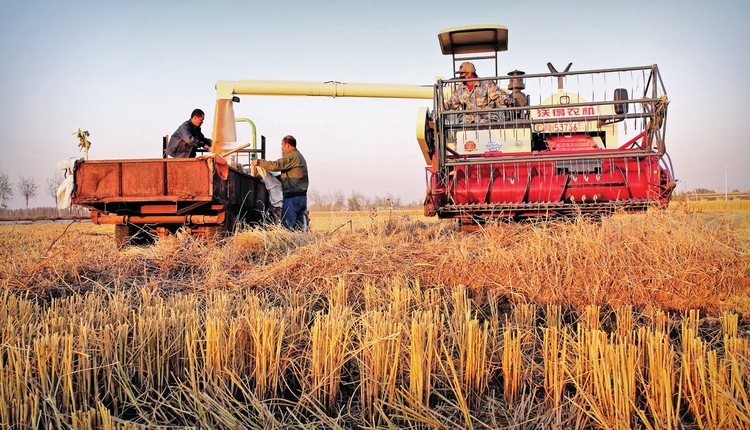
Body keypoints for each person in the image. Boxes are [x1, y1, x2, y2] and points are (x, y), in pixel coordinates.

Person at [252, 135, 309, 230]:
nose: (282, 148)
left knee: (287, 227)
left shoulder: (292, 156)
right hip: (301, 197)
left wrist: (259, 162)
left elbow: (276, 165)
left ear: (287, 145)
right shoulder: (298, 156)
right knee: (298, 229)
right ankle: (300, 244)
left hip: (292, 198)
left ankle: (288, 245)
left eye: (282, 145)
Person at [447, 62, 511, 123]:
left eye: (462, 74)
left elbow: (499, 95)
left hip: (487, 122)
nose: (460, 77)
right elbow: (451, 103)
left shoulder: (487, 84)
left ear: (469, 74)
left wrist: (506, 100)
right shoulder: (460, 89)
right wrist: (440, 108)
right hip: (468, 124)